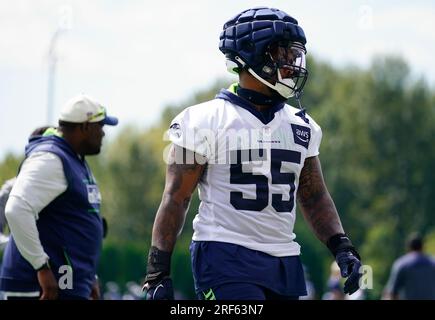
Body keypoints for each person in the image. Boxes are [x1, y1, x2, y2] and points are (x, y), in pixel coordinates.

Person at [143, 7, 362, 300]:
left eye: (294, 55)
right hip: (225, 255)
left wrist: (341, 246)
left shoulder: (303, 126)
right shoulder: (202, 120)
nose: (292, 63)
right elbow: (176, 197)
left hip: (284, 258)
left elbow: (313, 195)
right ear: (253, 54)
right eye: (282, 54)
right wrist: (158, 271)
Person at [0, 94, 118, 300]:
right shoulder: (50, 158)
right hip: (40, 286)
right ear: (85, 127)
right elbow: (16, 209)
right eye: (100, 126)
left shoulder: (72, 158)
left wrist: (89, 277)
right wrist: (42, 267)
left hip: (67, 283)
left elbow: (71, 223)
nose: (103, 133)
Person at [383, 233, 435, 300]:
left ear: (408, 247)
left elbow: (392, 292)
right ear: (423, 246)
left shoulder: (401, 264)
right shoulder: (432, 263)